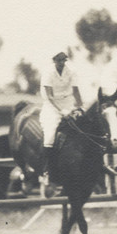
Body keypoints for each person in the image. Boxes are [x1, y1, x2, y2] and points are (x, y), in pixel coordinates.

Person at [39, 51, 85, 197]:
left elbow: (76, 91)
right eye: (59, 60)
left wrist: (80, 107)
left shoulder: (71, 71)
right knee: (50, 135)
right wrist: (61, 111)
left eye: (64, 60)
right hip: (52, 106)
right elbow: (50, 96)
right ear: (54, 60)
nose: (62, 63)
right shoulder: (48, 73)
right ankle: (47, 170)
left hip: (68, 102)